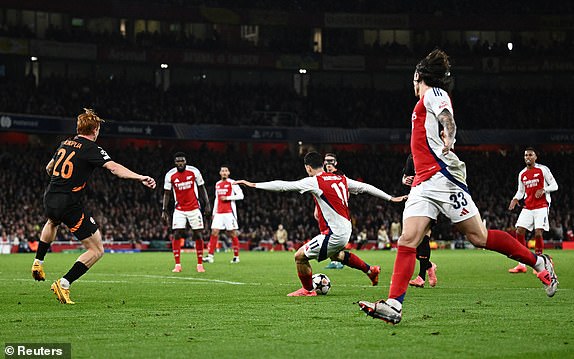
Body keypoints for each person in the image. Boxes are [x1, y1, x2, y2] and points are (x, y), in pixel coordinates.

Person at [358, 49, 558, 324]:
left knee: (479, 237)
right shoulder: (423, 102)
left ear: (417, 76)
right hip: (423, 182)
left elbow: (447, 118)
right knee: (407, 239)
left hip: (443, 177)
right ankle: (394, 305)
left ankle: (539, 263)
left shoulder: (433, 94)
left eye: (413, 78)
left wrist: (449, 136)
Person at [235, 151, 407, 297]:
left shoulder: (314, 181)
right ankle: (371, 270)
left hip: (335, 233)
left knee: (299, 257)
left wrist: (254, 184)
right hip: (346, 228)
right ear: (323, 165)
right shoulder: (341, 179)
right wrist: (390, 198)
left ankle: (308, 290)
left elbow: (283, 186)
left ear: (308, 167)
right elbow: (366, 187)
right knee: (336, 255)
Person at [31, 108, 156, 304]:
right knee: (97, 250)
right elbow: (114, 168)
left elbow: (49, 168)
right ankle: (64, 283)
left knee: (52, 222)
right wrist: (139, 177)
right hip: (69, 202)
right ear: (95, 129)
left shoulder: (65, 143)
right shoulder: (91, 148)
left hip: (50, 196)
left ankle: (38, 262)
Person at [507, 148, 558, 273]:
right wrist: (515, 199)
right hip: (528, 207)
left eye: (530, 155)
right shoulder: (522, 174)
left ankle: (539, 264)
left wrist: (544, 190)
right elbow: (520, 191)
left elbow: (555, 185)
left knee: (538, 233)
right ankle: (521, 264)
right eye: (525, 155)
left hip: (541, 206)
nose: (527, 157)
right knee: (519, 231)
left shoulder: (543, 169)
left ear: (535, 157)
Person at [162, 152, 211, 273]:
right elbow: (167, 194)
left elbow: (202, 188)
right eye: (178, 161)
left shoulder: (194, 171)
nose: (180, 163)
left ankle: (200, 264)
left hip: (194, 208)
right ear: (175, 163)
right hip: (179, 209)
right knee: (177, 233)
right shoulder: (170, 175)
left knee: (198, 234)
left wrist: (207, 204)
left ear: (185, 161)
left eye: (182, 161)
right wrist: (164, 210)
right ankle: (177, 264)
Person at [403, 154, 438, 288]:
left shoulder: (435, 155)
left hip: (430, 199)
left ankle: (421, 277)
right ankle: (429, 266)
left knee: (424, 236)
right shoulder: (412, 157)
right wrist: (405, 180)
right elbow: (405, 176)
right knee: (413, 240)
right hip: (415, 198)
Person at [204, 165, 244, 264]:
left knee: (232, 233)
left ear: (229, 173)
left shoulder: (232, 183)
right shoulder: (217, 184)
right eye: (223, 171)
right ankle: (210, 256)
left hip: (229, 213)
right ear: (220, 173)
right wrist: (214, 213)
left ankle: (236, 256)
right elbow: (217, 199)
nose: (224, 172)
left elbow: (241, 196)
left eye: (226, 171)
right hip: (219, 213)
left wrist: (228, 198)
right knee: (214, 232)